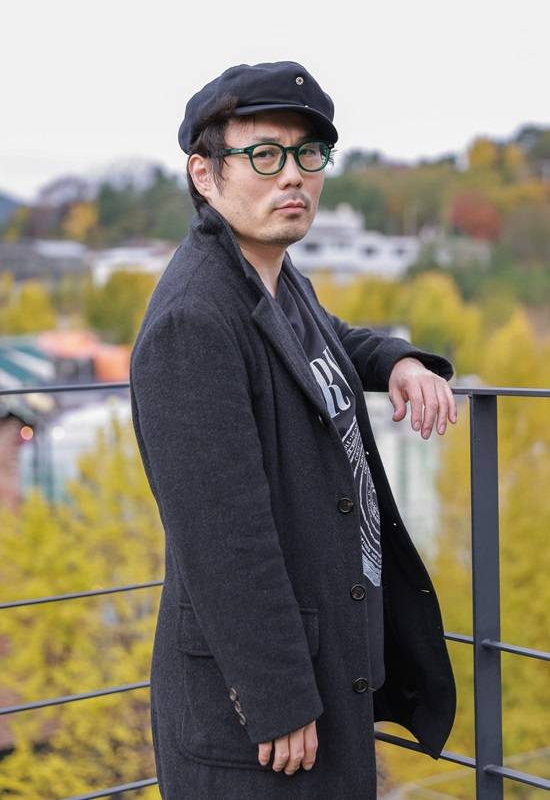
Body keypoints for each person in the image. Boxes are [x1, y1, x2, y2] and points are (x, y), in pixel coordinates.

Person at [129, 60, 458, 800]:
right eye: (265, 155)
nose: (294, 177)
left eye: (310, 154)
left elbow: (328, 339)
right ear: (205, 174)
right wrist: (277, 697)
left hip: (323, 670)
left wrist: (398, 360)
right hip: (259, 723)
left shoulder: (270, 275)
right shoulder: (194, 320)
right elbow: (223, 537)